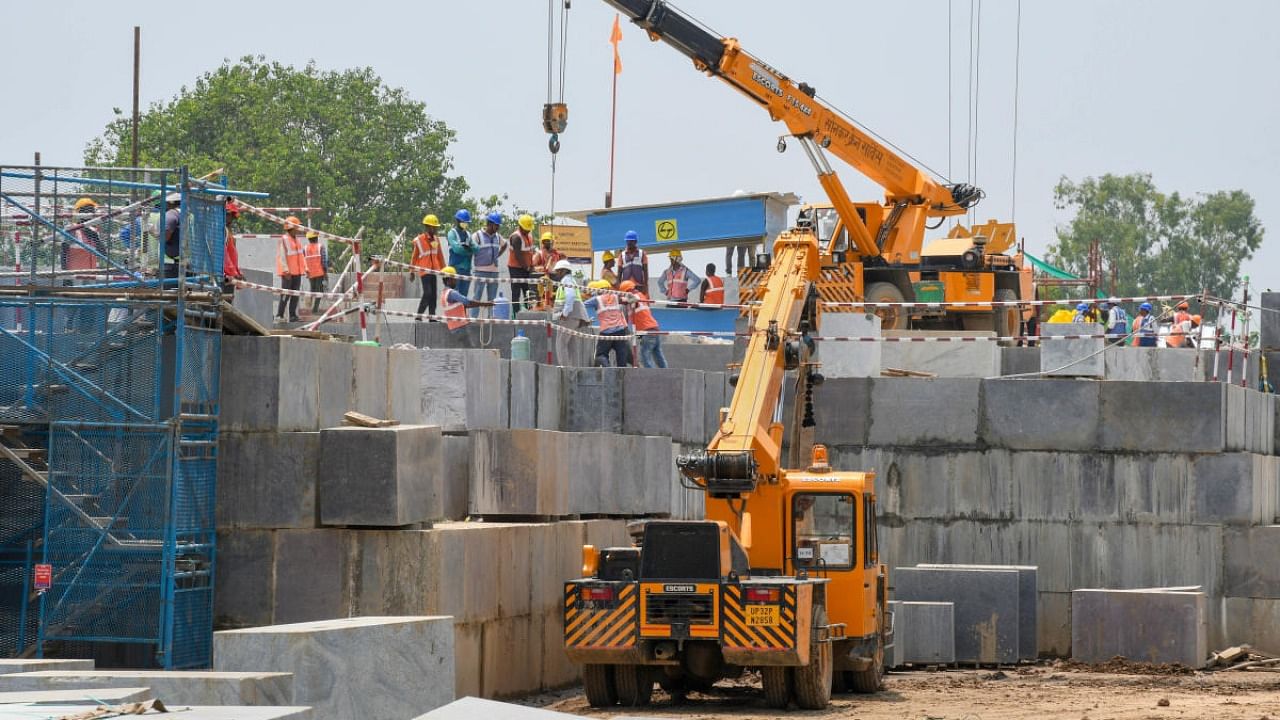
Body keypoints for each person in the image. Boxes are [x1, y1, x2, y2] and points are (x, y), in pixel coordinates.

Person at [584, 279, 632, 367]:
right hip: (620, 331)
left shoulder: (596, 299)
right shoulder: (615, 297)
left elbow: (583, 304)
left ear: (599, 290)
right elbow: (629, 299)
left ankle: (607, 368)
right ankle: (622, 377)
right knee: (622, 357)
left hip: (606, 332)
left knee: (600, 355)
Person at [551, 259, 590, 366]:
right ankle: (573, 372)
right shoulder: (572, 280)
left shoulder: (566, 281)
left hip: (569, 316)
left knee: (561, 343)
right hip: (575, 316)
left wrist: (565, 312)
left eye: (558, 271)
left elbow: (571, 296)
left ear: (564, 271)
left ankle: (564, 371)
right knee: (572, 345)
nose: (557, 274)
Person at [622, 279, 666, 368]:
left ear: (627, 291)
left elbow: (626, 300)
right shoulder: (641, 295)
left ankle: (650, 376)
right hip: (653, 328)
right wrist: (636, 336)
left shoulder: (634, 297)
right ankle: (666, 373)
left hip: (647, 331)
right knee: (658, 354)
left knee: (644, 356)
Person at [470, 212, 506, 314]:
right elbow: (471, 248)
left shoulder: (498, 237)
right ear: (489, 223)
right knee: (477, 297)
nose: (498, 227)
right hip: (480, 272)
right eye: (496, 225)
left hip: (494, 272)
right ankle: (474, 319)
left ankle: (491, 319)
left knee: (492, 299)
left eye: (498, 225)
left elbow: (505, 245)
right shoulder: (477, 235)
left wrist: (497, 255)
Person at [411, 214, 447, 318]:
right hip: (424, 271)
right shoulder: (419, 240)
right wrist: (411, 271)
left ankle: (432, 317)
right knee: (427, 293)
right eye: (434, 227)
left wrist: (444, 272)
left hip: (434, 271)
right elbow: (414, 257)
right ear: (428, 227)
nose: (436, 229)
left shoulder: (436, 240)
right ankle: (419, 315)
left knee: (433, 295)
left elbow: (440, 257)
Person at [439, 266, 490, 331]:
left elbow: (464, 305)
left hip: (453, 327)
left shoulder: (444, 293)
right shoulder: (452, 293)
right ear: (449, 280)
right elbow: (467, 301)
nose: (456, 281)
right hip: (460, 327)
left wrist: (481, 305)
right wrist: (484, 304)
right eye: (454, 279)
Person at [63, 198, 104, 279]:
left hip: (92, 275)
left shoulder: (94, 231)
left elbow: (103, 254)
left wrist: (95, 237)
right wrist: (64, 274)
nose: (92, 213)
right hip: (75, 275)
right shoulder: (72, 229)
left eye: (93, 210)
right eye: (90, 210)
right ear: (81, 212)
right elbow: (63, 252)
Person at [275, 216, 305, 322]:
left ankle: (292, 315)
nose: (299, 229)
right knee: (285, 294)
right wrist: (286, 270)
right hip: (288, 273)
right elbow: (282, 256)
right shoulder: (284, 239)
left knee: (295, 294)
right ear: (292, 227)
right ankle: (279, 315)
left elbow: (301, 255)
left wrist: (304, 268)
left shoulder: (297, 240)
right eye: (297, 227)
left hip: (297, 272)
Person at [508, 214, 537, 310]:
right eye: (526, 228)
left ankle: (528, 312)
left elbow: (530, 252)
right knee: (516, 293)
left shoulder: (529, 236)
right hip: (516, 269)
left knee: (528, 292)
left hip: (526, 268)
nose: (528, 230)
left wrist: (531, 266)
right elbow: (518, 256)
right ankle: (516, 314)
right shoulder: (516, 237)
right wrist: (527, 268)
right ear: (520, 226)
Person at [533, 232, 566, 308]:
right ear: (542, 242)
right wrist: (541, 269)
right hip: (542, 283)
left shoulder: (557, 255)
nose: (547, 243)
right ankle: (539, 304)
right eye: (545, 241)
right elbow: (532, 268)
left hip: (555, 282)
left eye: (549, 241)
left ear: (553, 242)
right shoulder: (539, 254)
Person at [446, 209, 473, 297]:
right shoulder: (451, 233)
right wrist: (468, 250)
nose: (465, 224)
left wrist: (469, 249)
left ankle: (463, 311)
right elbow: (456, 249)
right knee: (455, 296)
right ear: (457, 221)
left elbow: (476, 248)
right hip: (455, 270)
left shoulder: (468, 235)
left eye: (466, 222)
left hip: (466, 270)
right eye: (463, 222)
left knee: (464, 297)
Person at [302, 231, 328, 314]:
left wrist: (306, 271)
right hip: (320, 272)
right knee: (319, 291)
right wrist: (325, 272)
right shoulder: (320, 246)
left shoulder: (305, 248)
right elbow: (324, 261)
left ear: (309, 239)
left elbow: (303, 260)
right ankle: (315, 309)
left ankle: (310, 306)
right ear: (316, 238)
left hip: (310, 273)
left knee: (312, 289)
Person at [223, 200, 244, 296]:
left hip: (230, 274)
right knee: (223, 306)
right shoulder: (222, 230)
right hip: (225, 276)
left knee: (228, 304)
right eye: (229, 215)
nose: (231, 219)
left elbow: (232, 254)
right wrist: (233, 273)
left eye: (232, 216)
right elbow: (223, 255)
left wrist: (238, 272)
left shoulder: (228, 230)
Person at [160, 192, 182, 277]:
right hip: (189, 264)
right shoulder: (189, 214)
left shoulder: (171, 214)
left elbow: (165, 237)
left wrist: (154, 232)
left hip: (171, 265)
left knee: (169, 289)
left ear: (170, 203)